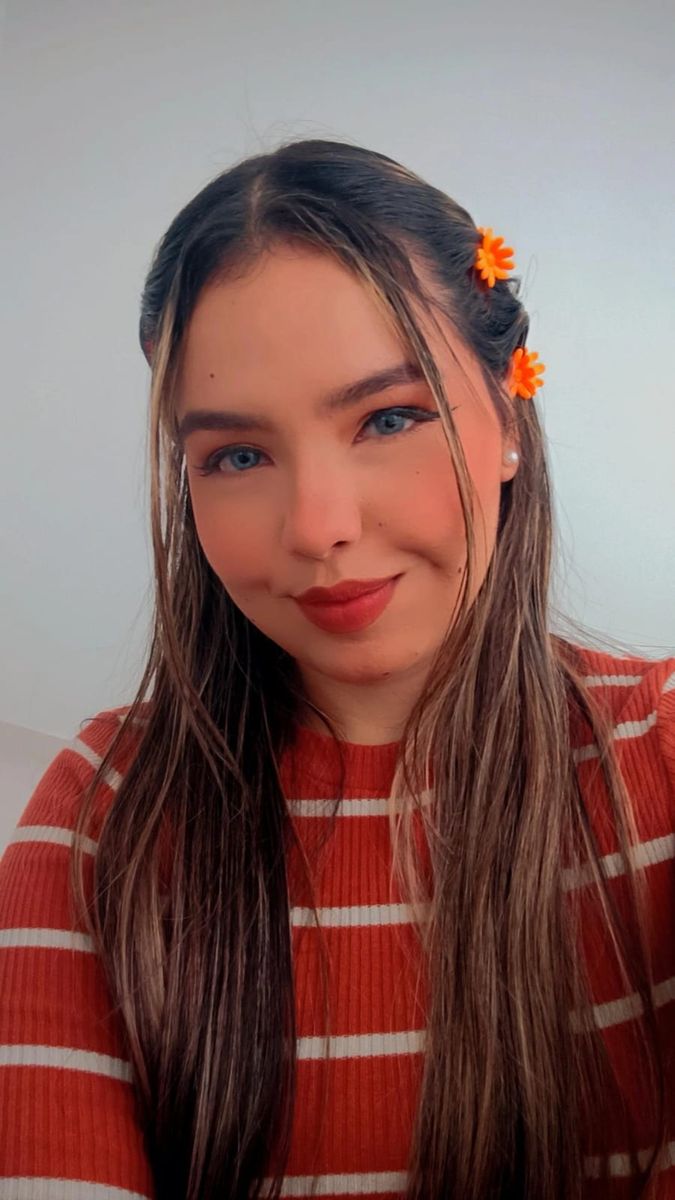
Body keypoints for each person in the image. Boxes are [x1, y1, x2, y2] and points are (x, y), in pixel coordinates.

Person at [0, 137, 673, 1200]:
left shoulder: (661, 761)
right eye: (237, 456)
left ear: (508, 418)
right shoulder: (99, 818)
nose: (318, 529)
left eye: (389, 418)